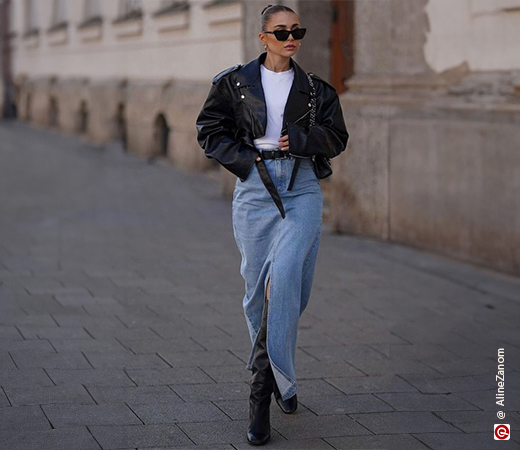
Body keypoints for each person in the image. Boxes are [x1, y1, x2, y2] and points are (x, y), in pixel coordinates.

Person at [196, 3, 349, 445]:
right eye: (280, 31)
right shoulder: (233, 83)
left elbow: (337, 137)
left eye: (296, 30)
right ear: (262, 37)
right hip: (255, 191)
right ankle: (285, 380)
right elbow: (210, 130)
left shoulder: (317, 90)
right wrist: (244, 162)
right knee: (254, 293)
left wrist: (300, 139)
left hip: (301, 189)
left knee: (285, 283)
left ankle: (259, 396)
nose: (290, 37)